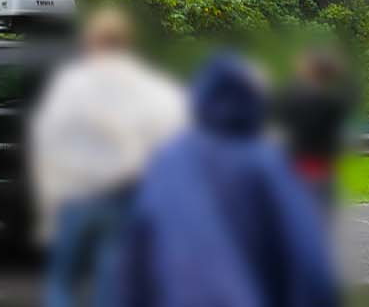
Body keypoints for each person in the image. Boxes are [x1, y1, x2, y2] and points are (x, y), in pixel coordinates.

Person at [120, 52, 339, 307]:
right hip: (318, 170)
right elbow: (308, 261)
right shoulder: (266, 163)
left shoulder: (169, 160)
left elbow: (136, 253)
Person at [30, 5, 187, 307]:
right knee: (111, 284)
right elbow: (173, 137)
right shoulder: (151, 86)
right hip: (123, 199)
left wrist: (48, 206)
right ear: (127, 41)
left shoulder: (72, 85)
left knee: (63, 282)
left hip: (75, 197)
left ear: (92, 42)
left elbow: (48, 141)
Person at [274, 45, 354, 214]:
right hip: (322, 168)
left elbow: (282, 115)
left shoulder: (299, 98)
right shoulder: (333, 101)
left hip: (303, 166)